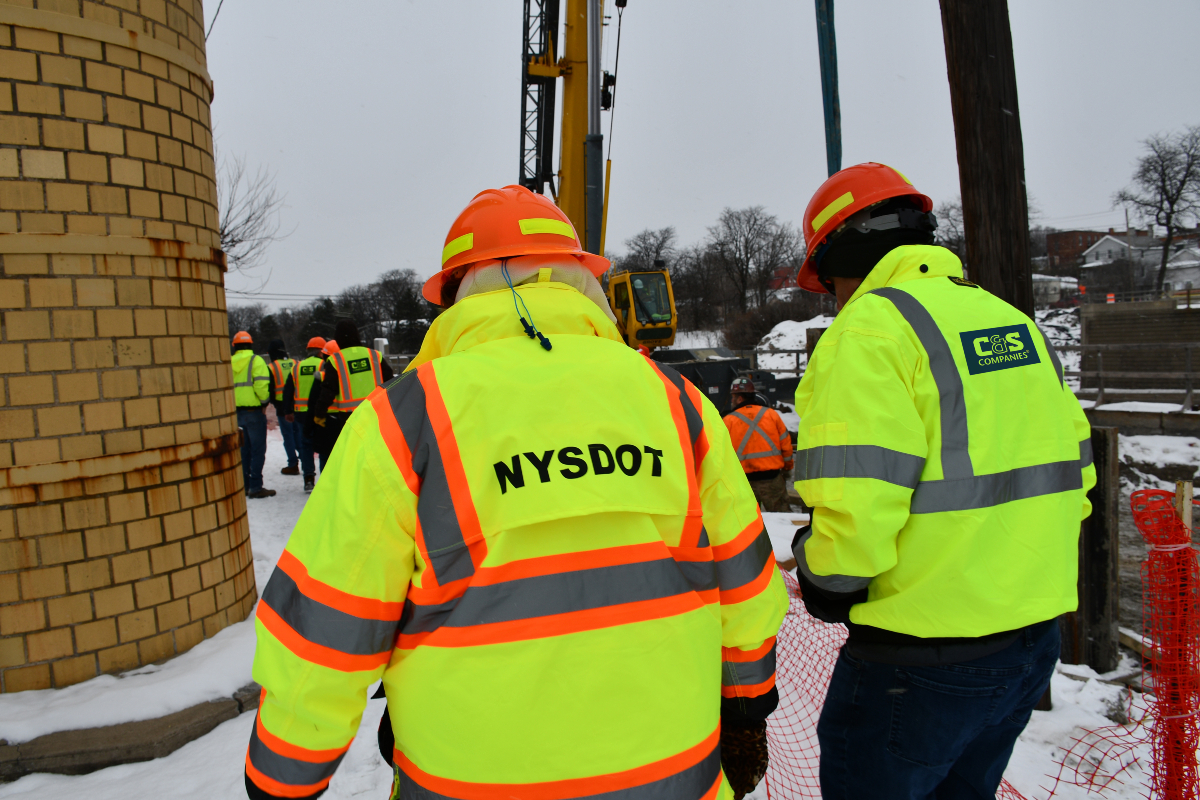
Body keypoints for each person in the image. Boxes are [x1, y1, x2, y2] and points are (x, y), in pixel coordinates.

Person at [243, 185, 788, 800]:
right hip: (674, 780)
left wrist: (283, 774)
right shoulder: (676, 401)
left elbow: (327, 622)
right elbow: (745, 580)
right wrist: (746, 705)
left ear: (456, 293)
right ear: (580, 278)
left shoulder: (404, 419)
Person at [788, 163, 1095, 800]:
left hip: (920, 660)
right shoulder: (1011, 322)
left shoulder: (868, 333)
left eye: (831, 283)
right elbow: (1076, 474)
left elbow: (858, 506)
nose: (836, 298)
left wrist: (823, 578)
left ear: (843, 256)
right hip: (1030, 643)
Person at [308, 320, 393, 462]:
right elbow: (391, 381)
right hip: (376, 412)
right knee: (378, 453)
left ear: (338, 339)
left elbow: (328, 390)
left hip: (350, 418)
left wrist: (319, 414)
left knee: (356, 456)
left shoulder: (336, 360)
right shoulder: (374, 355)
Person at [723, 377, 793, 512]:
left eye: (733, 397)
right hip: (772, 480)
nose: (731, 400)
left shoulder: (728, 421)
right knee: (783, 518)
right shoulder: (772, 415)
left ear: (739, 399)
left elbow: (722, 454)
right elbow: (786, 446)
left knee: (747, 521)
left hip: (744, 483)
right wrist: (787, 468)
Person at [231, 331, 276, 499]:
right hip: (254, 412)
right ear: (250, 344)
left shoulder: (229, 362)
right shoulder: (256, 360)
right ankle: (256, 486)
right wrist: (264, 402)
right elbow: (261, 385)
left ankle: (245, 485)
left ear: (234, 346)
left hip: (236, 412)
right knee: (257, 450)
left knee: (243, 450)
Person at [281, 337, 325, 493]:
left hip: (301, 414)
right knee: (323, 446)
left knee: (306, 446)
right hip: (319, 412)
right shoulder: (324, 365)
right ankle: (326, 480)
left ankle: (308, 479)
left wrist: (288, 411)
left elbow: (288, 390)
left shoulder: (297, 367)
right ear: (321, 351)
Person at [266, 340, 300, 476]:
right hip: (298, 403)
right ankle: (306, 460)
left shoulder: (272, 367)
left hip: (282, 406)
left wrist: (274, 402)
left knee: (288, 436)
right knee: (299, 434)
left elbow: (270, 388)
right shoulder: (296, 363)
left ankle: (292, 464)